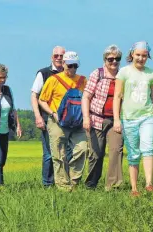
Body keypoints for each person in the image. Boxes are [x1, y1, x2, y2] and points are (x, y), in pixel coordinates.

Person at [113, 41, 153, 197]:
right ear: (132, 54)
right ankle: (134, 188)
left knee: (148, 148)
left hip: (147, 116)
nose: (141, 58)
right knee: (133, 153)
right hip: (129, 118)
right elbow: (117, 96)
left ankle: (149, 184)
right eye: (138, 55)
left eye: (144, 56)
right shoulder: (123, 73)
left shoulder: (152, 74)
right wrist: (116, 119)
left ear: (148, 56)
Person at [39, 51, 88, 191]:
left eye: (75, 66)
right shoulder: (53, 79)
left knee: (82, 149)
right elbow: (42, 100)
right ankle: (63, 187)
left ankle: (73, 181)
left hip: (78, 122)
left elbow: (88, 99)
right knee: (58, 154)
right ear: (64, 64)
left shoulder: (83, 80)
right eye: (70, 66)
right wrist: (52, 113)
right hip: (57, 122)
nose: (72, 69)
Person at [82, 45, 124, 190]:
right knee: (96, 154)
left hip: (115, 121)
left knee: (116, 151)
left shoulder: (123, 76)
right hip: (96, 119)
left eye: (117, 59)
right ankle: (91, 184)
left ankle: (112, 187)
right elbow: (86, 96)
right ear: (104, 60)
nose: (114, 62)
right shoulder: (97, 74)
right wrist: (86, 118)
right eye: (110, 59)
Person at [31, 46, 71, 187]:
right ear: (51, 57)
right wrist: (38, 116)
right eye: (56, 56)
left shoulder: (70, 73)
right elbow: (34, 95)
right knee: (49, 153)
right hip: (48, 118)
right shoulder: (44, 73)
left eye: (62, 56)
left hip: (68, 120)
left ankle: (64, 181)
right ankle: (48, 184)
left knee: (67, 152)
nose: (59, 58)